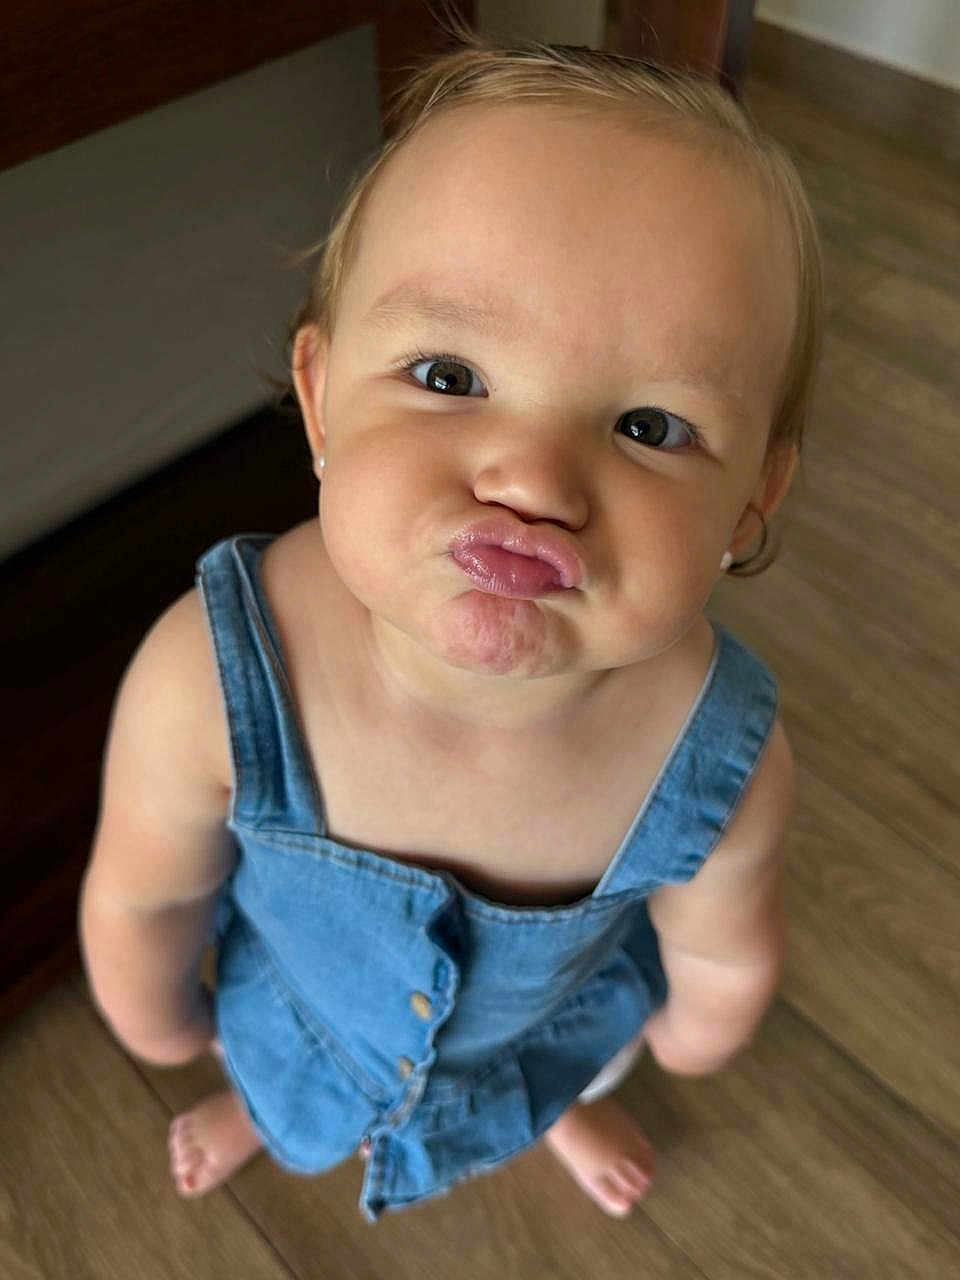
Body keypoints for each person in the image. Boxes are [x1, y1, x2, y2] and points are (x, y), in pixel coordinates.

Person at [78, 26, 823, 1224]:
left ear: (751, 502)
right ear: (320, 399)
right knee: (275, 1073)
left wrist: (697, 1027)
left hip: (543, 1023)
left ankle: (551, 1103)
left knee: (576, 1050)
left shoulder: (716, 751)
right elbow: (148, 893)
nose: (531, 477)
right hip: (303, 1018)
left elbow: (725, 937)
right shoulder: (215, 677)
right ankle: (269, 1110)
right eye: (448, 375)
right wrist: (163, 1016)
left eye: (648, 424)